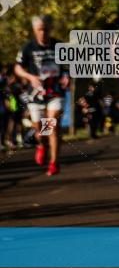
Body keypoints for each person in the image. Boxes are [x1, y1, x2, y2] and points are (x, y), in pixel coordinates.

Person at [15, 15, 69, 176]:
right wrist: (30, 77)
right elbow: (18, 68)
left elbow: (69, 65)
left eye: (46, 29)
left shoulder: (59, 45)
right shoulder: (28, 48)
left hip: (55, 92)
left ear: (50, 29)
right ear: (34, 30)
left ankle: (54, 163)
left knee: (52, 125)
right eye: (40, 29)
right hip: (36, 93)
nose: (43, 33)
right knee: (40, 130)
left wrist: (67, 75)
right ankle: (42, 144)